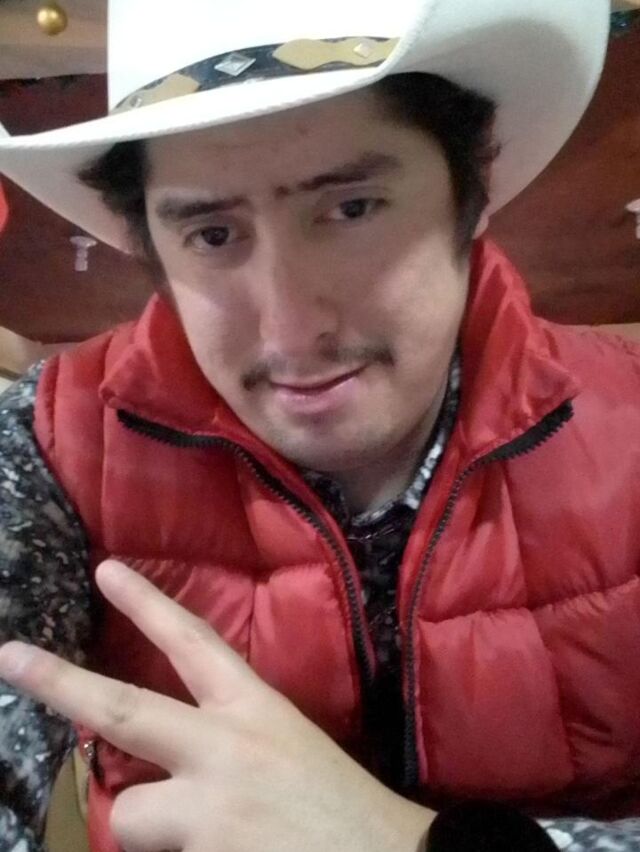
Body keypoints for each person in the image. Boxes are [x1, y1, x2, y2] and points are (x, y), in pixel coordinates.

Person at [0, 1, 639, 850]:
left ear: (471, 187)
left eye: (353, 209)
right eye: (212, 234)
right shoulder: (51, 445)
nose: (291, 329)